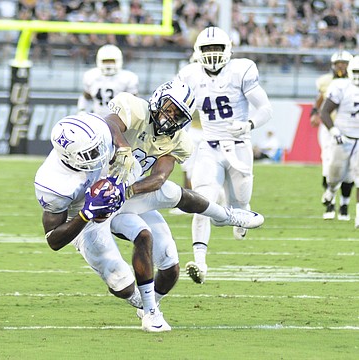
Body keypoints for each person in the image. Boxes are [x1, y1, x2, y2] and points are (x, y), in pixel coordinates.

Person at [35, 81, 264, 331]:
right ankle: (142, 305)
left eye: (179, 115)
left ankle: (223, 216)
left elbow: (159, 178)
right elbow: (54, 240)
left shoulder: (178, 140)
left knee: (168, 255)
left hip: (126, 191)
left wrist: (126, 190)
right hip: (90, 207)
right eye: (169, 108)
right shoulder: (54, 182)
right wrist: (87, 210)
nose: (171, 117)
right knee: (120, 280)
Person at [176, 26, 272, 284]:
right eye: (207, 48)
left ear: (228, 49)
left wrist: (249, 124)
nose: (212, 53)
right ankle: (200, 262)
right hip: (209, 145)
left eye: (217, 48)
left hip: (239, 144)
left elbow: (265, 108)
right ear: (198, 51)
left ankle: (240, 217)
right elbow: (179, 110)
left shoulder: (241, 70)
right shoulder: (189, 75)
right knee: (202, 202)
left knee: (241, 202)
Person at [310, 50, 354, 221]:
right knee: (328, 164)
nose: (341, 67)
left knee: (351, 168)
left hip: (349, 129)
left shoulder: (353, 82)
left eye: (345, 63)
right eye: (338, 63)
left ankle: (344, 205)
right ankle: (330, 203)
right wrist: (314, 112)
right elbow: (321, 98)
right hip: (330, 128)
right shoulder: (326, 81)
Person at [319, 55, 359, 229]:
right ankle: (331, 191)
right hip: (342, 138)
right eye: (356, 72)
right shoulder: (340, 86)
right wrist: (334, 131)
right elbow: (325, 111)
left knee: (357, 178)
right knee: (334, 175)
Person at [77, 44, 139, 117]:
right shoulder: (91, 76)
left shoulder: (128, 78)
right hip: (97, 118)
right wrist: (82, 111)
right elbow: (86, 97)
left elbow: (134, 103)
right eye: (105, 61)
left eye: (112, 61)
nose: (109, 64)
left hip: (119, 120)